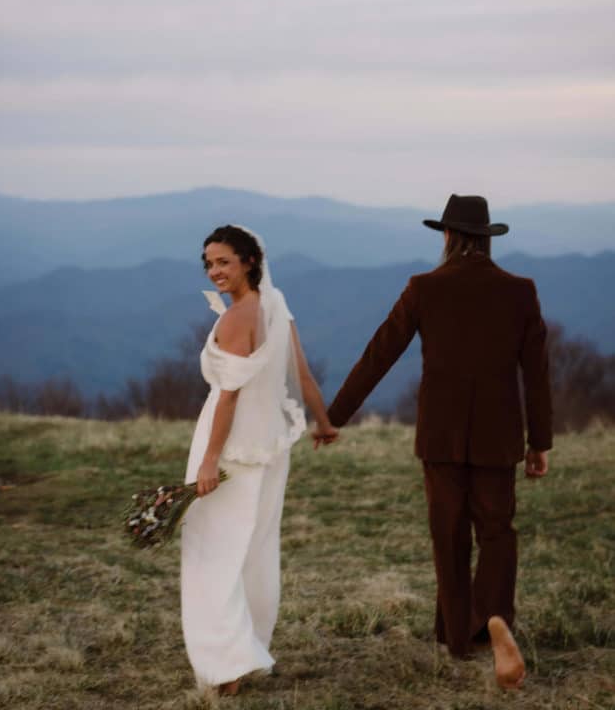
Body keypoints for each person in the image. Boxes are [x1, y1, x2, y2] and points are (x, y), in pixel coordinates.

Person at [326, 195, 552, 690]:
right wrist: (540, 442)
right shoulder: (520, 291)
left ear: (447, 237)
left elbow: (379, 353)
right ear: (487, 239)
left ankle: (456, 636)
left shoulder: (424, 288)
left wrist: (334, 415)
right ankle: (493, 618)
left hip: (440, 434)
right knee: (497, 530)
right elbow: (535, 374)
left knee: (447, 531)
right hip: (499, 434)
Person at [181, 224, 338, 696]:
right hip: (270, 446)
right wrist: (322, 422)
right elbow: (303, 373)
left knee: (211, 550)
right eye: (209, 263)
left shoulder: (235, 320)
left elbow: (228, 398)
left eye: (224, 261)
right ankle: (247, 650)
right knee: (255, 549)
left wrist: (209, 461)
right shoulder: (277, 304)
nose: (215, 271)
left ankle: (227, 663)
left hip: (230, 448)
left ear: (250, 261)